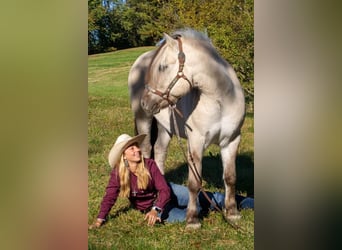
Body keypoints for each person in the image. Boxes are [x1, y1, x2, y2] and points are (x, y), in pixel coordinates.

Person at [89, 133, 254, 229]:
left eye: (137, 146)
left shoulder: (149, 164)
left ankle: (248, 202)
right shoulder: (118, 174)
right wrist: (100, 219)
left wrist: (156, 209)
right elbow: (110, 196)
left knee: (208, 197)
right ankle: (205, 209)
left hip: (168, 193)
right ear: (123, 155)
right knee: (189, 215)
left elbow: (165, 190)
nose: (137, 149)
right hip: (155, 207)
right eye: (132, 148)